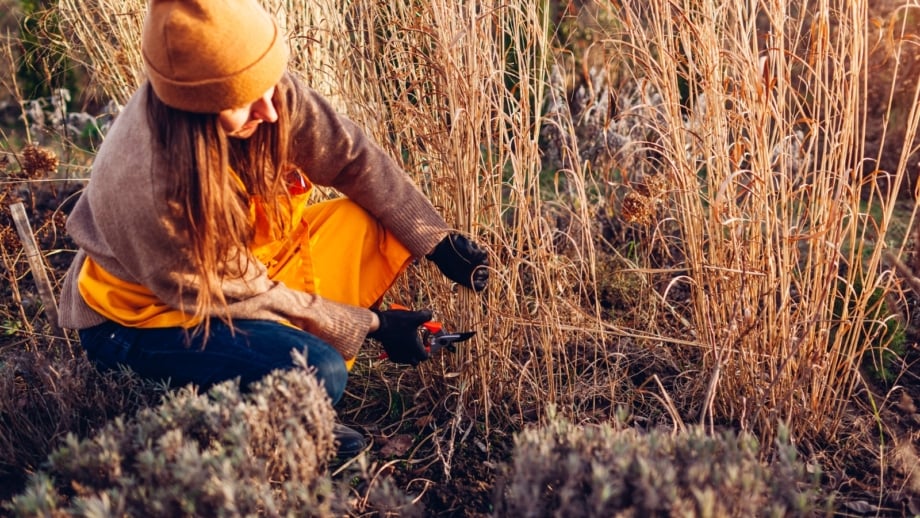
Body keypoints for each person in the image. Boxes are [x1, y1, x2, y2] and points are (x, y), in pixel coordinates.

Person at [57, 0, 489, 457]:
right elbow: (250, 294)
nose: (270, 108)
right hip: (143, 320)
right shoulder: (153, 189)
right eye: (244, 101)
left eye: (268, 85)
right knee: (318, 369)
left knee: (371, 222)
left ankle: (275, 367)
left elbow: (350, 157)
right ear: (195, 109)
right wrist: (375, 326)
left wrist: (437, 240)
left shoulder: (261, 88)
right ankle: (257, 421)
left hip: (244, 270)